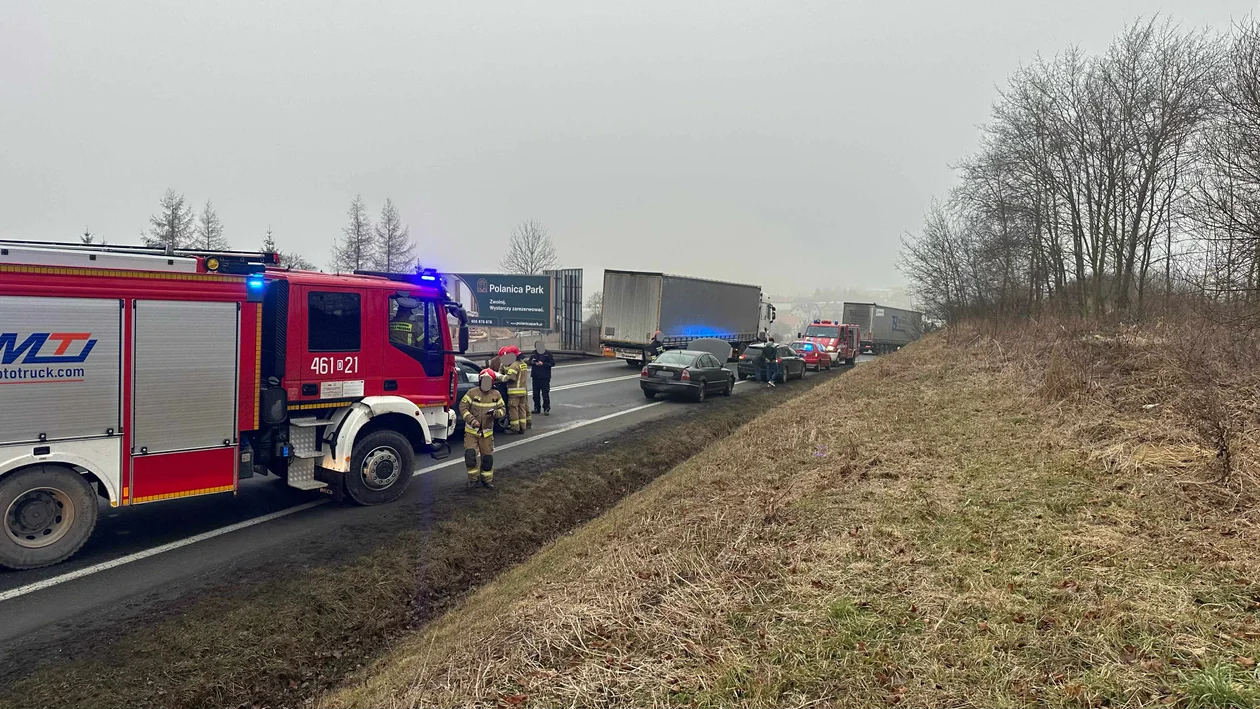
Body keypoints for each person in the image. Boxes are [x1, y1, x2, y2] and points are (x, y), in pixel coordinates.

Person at [458, 369, 506, 489]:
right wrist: (472, 420)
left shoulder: (496, 394)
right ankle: (473, 480)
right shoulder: (471, 393)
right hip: (471, 432)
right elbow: (463, 407)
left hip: (487, 433)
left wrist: (496, 413)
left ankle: (486, 480)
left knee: (487, 459)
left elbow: (503, 410)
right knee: (470, 455)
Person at [498, 346, 529, 433]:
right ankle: (523, 427)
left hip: (514, 392)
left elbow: (510, 378)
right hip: (523, 391)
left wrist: (500, 377)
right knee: (522, 408)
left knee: (513, 409)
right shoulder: (523, 364)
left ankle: (515, 428)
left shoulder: (513, 366)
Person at [528, 340, 555, 415]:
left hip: (544, 377)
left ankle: (546, 408)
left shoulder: (547, 353)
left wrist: (543, 364)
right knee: (535, 394)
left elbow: (552, 363)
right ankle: (537, 408)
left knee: (545, 393)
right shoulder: (534, 353)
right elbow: (529, 362)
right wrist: (534, 363)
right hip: (535, 376)